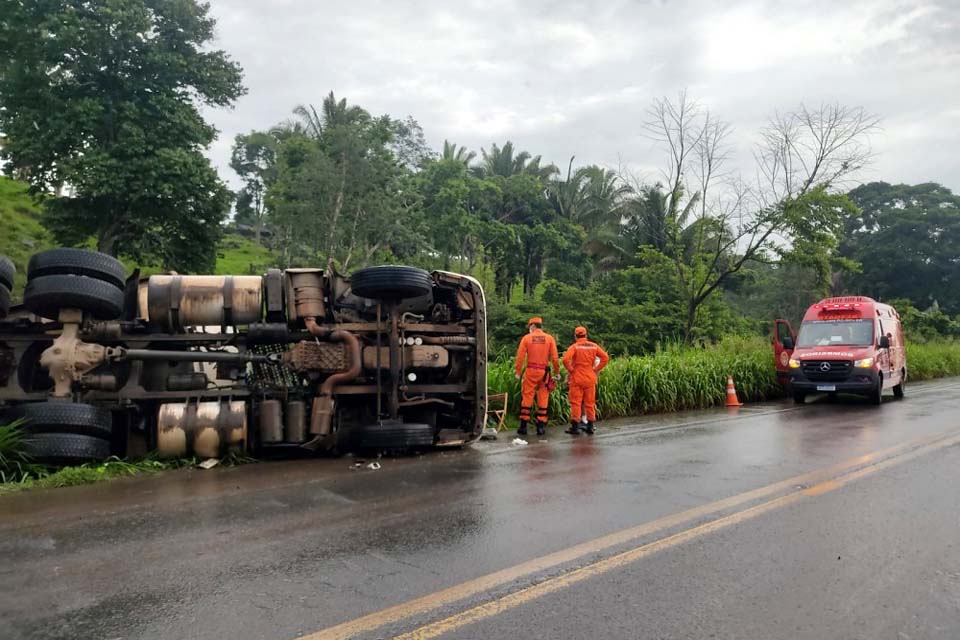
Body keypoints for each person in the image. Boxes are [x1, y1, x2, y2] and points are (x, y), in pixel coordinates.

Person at [514, 317, 560, 436]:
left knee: (527, 396)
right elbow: (555, 358)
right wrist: (557, 372)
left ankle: (523, 426)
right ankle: (541, 427)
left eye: (529, 327)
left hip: (530, 371)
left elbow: (520, 357)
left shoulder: (527, 338)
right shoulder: (549, 338)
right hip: (544, 372)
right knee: (543, 397)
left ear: (532, 326)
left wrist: (518, 372)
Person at [562, 326, 609, 435]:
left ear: (575, 336)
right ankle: (590, 426)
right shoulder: (593, 346)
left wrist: (571, 370)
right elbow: (605, 358)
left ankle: (575, 427)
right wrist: (596, 370)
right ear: (586, 335)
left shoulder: (575, 347)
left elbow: (565, 359)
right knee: (590, 403)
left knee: (576, 402)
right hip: (590, 377)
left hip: (577, 378)